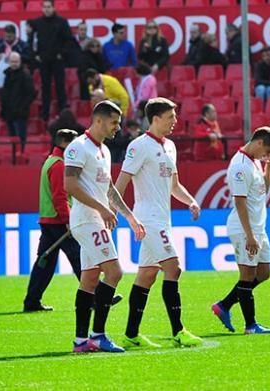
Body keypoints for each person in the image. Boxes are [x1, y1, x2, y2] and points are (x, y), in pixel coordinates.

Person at [115, 98, 204, 349]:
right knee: (173, 268)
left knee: (147, 275)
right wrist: (126, 216)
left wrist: (191, 201)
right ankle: (179, 331)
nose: (175, 121)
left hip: (163, 220)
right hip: (148, 220)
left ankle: (131, 334)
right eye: (170, 117)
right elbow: (119, 185)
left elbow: (174, 186)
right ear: (155, 119)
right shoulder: (139, 146)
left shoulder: (170, 146)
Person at [64, 100, 145, 353]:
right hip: (87, 219)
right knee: (114, 273)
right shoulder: (78, 147)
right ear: (98, 120)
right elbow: (70, 185)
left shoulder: (104, 151)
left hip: (96, 219)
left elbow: (109, 189)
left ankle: (80, 341)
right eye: (114, 122)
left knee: (89, 278)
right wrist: (100, 209)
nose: (118, 127)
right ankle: (98, 336)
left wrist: (130, 216)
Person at [211, 127, 270, 335]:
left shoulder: (255, 162)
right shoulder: (240, 166)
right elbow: (240, 202)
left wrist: (268, 168)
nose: (267, 156)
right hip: (244, 229)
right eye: (267, 151)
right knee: (247, 275)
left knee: (264, 273)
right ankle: (250, 325)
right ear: (258, 142)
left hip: (259, 227)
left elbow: (263, 190)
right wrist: (249, 235)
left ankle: (224, 305)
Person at [24, 129, 82, 312]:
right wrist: (68, 220)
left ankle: (31, 302)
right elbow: (60, 197)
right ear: (65, 142)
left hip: (49, 220)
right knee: (80, 259)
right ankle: (95, 298)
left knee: (44, 263)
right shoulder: (59, 165)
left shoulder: (51, 161)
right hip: (59, 222)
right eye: (73, 143)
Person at [32, 0, 73, 121]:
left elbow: (68, 40)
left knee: (60, 87)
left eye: (49, 7)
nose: (47, 9)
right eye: (44, 7)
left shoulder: (62, 22)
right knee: (45, 88)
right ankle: (45, 116)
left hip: (57, 60)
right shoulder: (37, 23)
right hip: (44, 61)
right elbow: (32, 40)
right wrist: (36, 55)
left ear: (54, 8)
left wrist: (62, 54)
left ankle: (63, 115)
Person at [1, 52, 37, 150]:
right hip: (9, 111)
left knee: (20, 136)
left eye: (16, 61)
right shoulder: (7, 75)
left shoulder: (25, 75)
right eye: (12, 61)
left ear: (20, 62)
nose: (14, 64)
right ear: (9, 62)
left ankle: (20, 153)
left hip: (20, 112)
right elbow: (5, 93)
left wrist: (22, 107)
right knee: (12, 136)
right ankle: (14, 153)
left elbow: (32, 93)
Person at [0, 24, 28, 89]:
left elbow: (28, 58)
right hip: (1, 72)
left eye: (10, 36)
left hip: (17, 72)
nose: (8, 38)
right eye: (6, 36)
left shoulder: (22, 44)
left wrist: (16, 57)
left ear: (15, 35)